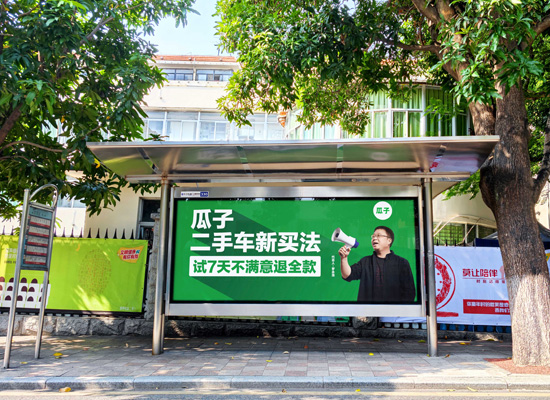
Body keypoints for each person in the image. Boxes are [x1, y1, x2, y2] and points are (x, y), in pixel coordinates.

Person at [338, 226, 415, 303]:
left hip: (392, 310)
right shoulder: (365, 261)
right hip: (367, 309)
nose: (374, 238)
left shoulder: (402, 263)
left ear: (389, 240)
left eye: (378, 235)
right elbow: (347, 275)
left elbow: (409, 293)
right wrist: (344, 258)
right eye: (373, 236)